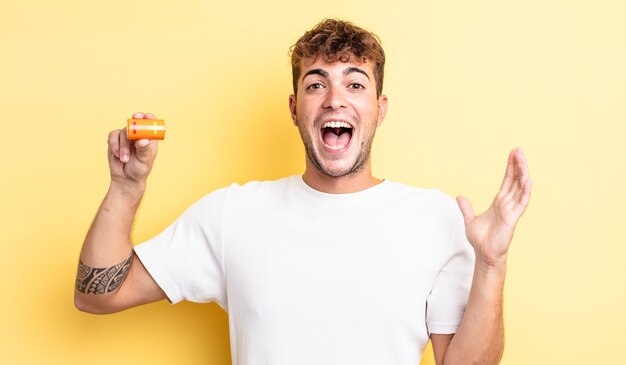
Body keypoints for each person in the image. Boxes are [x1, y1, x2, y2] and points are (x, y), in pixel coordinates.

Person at [75, 19, 532, 365]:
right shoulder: (233, 214)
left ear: (379, 109)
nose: (335, 98)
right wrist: (126, 188)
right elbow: (96, 295)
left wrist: (491, 264)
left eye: (355, 83)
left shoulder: (434, 218)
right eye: (317, 84)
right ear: (295, 109)